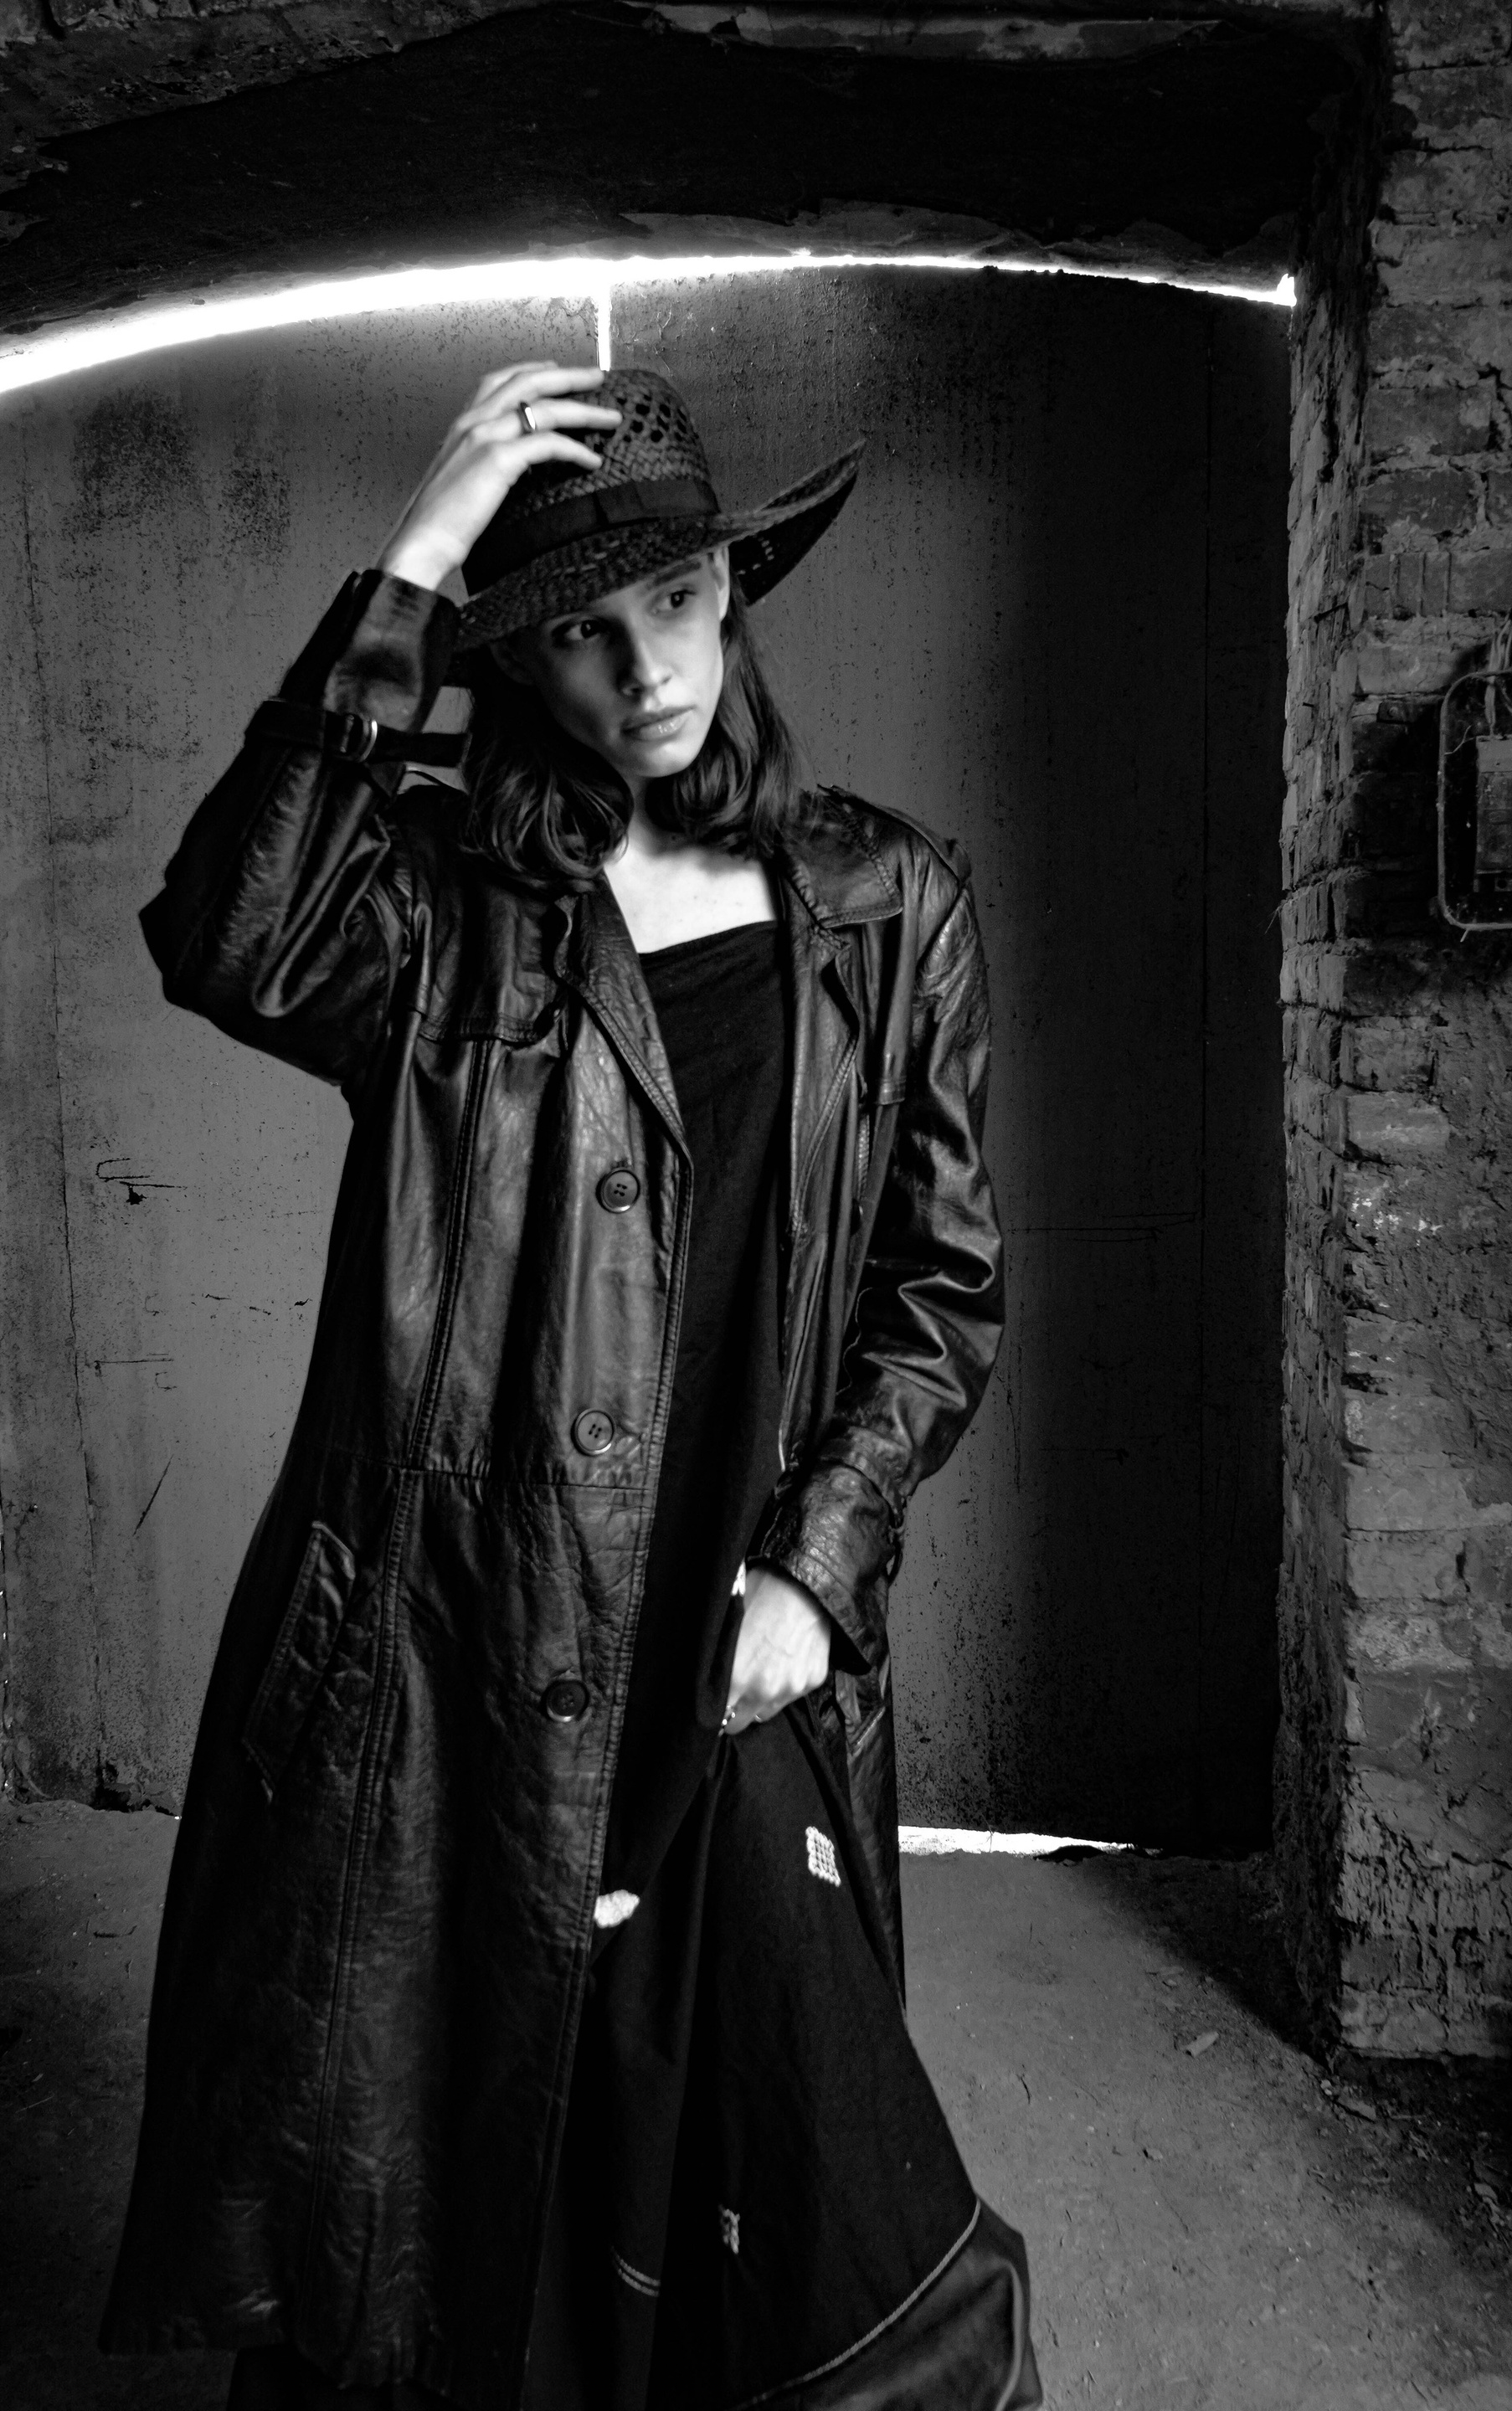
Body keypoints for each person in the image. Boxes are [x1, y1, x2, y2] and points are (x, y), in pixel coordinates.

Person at [100, 357, 1038, 2411]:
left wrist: (819, 1568)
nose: (646, 669)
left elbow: (940, 1289)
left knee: (839, 2249)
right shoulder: (448, 911)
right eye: (581, 635)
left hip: (743, 1634)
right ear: (517, 667)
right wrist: (415, 562)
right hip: (466, 1645)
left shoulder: (889, 907)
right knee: (458, 2213)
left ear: (734, 590)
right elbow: (228, 936)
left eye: (677, 603)